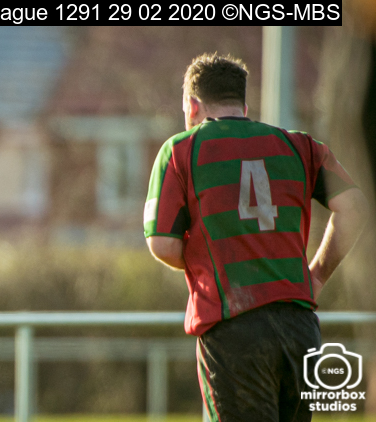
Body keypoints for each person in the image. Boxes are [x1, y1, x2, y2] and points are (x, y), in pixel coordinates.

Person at [144, 53, 368, 421]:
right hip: (300, 327)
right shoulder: (301, 146)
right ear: (244, 107)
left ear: (192, 106)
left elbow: (163, 243)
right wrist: (316, 276)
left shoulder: (180, 150)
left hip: (234, 327)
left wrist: (213, 258)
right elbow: (355, 207)